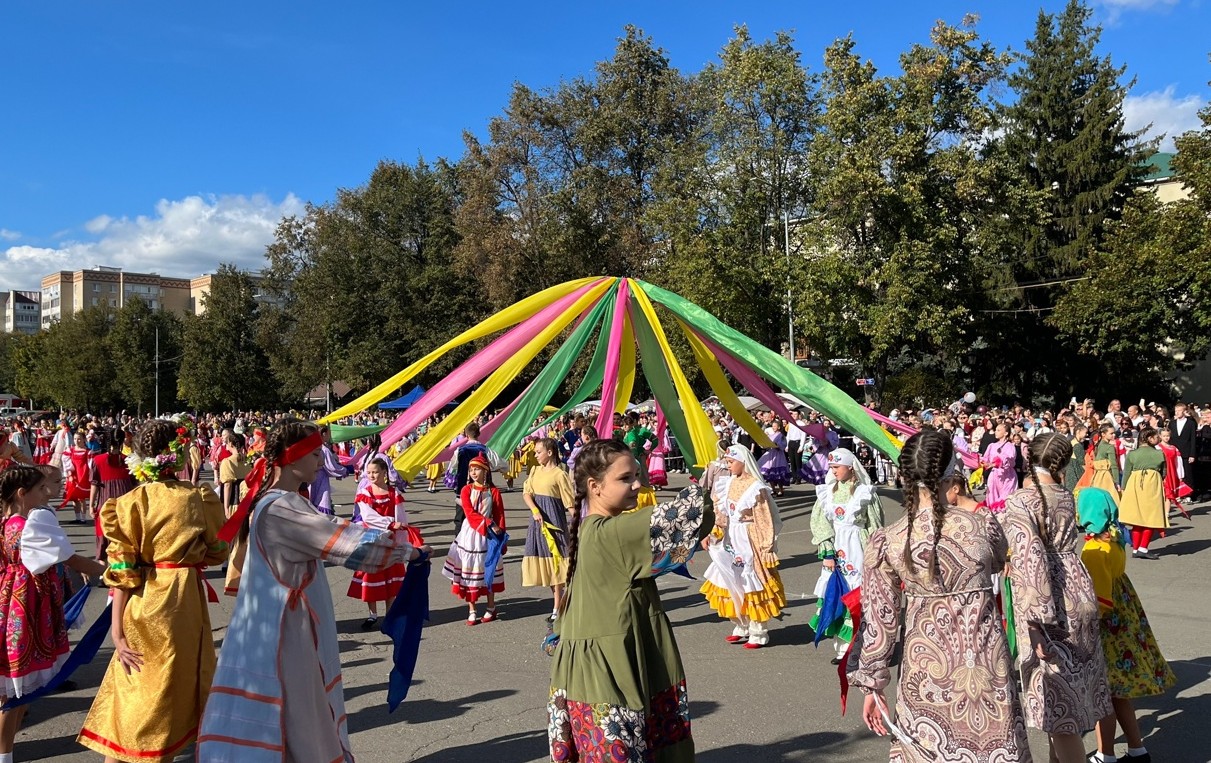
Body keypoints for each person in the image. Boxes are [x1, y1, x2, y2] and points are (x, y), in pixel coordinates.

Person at [197, 420, 428, 761]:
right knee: (299, 714)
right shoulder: (282, 509)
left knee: (294, 714)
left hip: (277, 626)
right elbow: (345, 543)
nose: (322, 460)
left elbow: (335, 532)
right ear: (292, 460)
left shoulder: (282, 502)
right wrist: (409, 550)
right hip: (284, 634)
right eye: (316, 454)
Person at [851, 430, 1031, 762]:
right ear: (952, 473)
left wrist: (873, 685)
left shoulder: (888, 539)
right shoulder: (981, 524)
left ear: (904, 475)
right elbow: (1003, 556)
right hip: (986, 663)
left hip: (925, 667)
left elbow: (880, 621)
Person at [548, 439, 713, 762]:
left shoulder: (588, 529)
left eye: (637, 475)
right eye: (626, 478)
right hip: (609, 671)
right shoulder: (615, 533)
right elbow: (694, 513)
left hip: (588, 670)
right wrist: (711, 475)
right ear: (595, 486)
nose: (638, 485)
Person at [78, 419, 230, 762]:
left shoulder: (125, 504)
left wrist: (116, 632)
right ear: (177, 455)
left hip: (140, 603)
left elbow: (121, 573)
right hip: (181, 602)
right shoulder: (197, 497)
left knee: (134, 688)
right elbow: (219, 550)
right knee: (173, 690)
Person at [1004, 433, 1112, 763]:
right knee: (1072, 696)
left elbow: (1029, 560)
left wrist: (1036, 622)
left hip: (1049, 597)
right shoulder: (1064, 494)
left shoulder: (1022, 500)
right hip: (1077, 588)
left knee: (1057, 709)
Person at [0, 465, 105, 763]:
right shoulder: (28, 525)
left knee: (18, 690)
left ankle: (6, 753)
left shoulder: (7, 521)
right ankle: (4, 755)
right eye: (40, 489)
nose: (47, 493)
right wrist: (109, 570)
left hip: (14, 599)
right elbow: (69, 557)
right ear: (23, 494)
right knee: (15, 691)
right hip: (26, 603)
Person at [1079, 488, 1175, 763]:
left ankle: (1105, 754)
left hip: (1108, 628)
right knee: (1119, 693)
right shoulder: (1117, 538)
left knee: (1104, 694)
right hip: (1126, 618)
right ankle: (1137, 749)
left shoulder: (1094, 549)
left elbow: (1099, 600)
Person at [700, 444, 785, 649]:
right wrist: (712, 533)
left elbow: (764, 519)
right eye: (727, 462)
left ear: (743, 462)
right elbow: (721, 515)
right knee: (730, 579)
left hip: (749, 538)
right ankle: (741, 624)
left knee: (752, 582)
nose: (728, 466)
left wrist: (766, 547)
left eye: (731, 462)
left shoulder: (755, 487)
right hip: (731, 538)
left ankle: (758, 631)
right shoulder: (727, 484)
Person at [808, 448, 885, 662]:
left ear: (850, 467)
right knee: (837, 594)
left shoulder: (864, 492)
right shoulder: (828, 492)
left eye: (837, 467)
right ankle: (842, 648)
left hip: (858, 548)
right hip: (837, 549)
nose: (833, 471)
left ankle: (860, 648)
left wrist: (875, 553)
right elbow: (820, 523)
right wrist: (828, 552)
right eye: (831, 467)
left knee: (858, 594)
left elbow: (875, 525)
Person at [348, 458, 418, 629]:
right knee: (371, 575)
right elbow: (367, 516)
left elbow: (401, 517)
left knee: (390, 578)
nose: (371, 475)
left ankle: (390, 613)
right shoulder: (366, 493)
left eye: (375, 472)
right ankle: (372, 614)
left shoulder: (394, 493)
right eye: (369, 472)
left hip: (390, 540)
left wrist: (402, 540)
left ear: (384, 473)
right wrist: (390, 524)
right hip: (372, 539)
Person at [442, 454, 506, 625]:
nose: (472, 472)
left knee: (489, 570)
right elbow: (470, 514)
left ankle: (491, 607)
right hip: (471, 535)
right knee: (469, 572)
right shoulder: (466, 490)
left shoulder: (493, 492)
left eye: (476, 469)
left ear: (485, 471)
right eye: (471, 469)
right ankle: (472, 609)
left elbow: (500, 515)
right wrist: (488, 523)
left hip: (489, 536)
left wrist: (501, 538)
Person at [521, 438, 575, 621]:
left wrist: (580, 521)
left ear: (550, 452)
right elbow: (527, 493)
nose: (535, 455)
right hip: (538, 524)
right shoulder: (535, 471)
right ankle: (561, 603)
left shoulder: (560, 475)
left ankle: (557, 607)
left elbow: (569, 503)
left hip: (555, 523)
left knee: (557, 565)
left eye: (538, 452)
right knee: (547, 565)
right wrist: (535, 511)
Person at [88, 428, 136, 562]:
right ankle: (123, 568)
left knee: (104, 534)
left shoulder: (98, 460)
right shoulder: (128, 461)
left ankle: (103, 571)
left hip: (105, 502)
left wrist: (91, 505)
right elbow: (134, 485)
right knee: (123, 535)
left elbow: (94, 484)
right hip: (125, 503)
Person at [1119, 429, 1167, 560]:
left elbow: (1126, 473)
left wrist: (1123, 489)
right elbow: (1164, 473)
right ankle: (1143, 548)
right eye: (1156, 436)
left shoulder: (1132, 454)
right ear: (1150, 438)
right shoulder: (1159, 454)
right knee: (1150, 517)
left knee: (1137, 519)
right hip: (1152, 485)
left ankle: (1135, 549)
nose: (1158, 439)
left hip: (1134, 486)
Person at [309, 426, 348, 516]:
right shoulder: (323, 449)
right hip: (320, 478)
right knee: (321, 498)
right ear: (324, 434)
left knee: (313, 498)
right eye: (329, 433)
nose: (330, 436)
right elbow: (331, 467)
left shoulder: (317, 447)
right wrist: (344, 470)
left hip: (312, 477)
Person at [979, 423, 1017, 512]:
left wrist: (997, 462)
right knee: (992, 496)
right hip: (995, 475)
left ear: (1006, 433)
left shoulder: (1010, 446)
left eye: (998, 430)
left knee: (1007, 499)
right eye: (996, 430)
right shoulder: (992, 445)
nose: (996, 432)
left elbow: (1010, 460)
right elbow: (985, 459)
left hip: (1007, 476)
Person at [1156, 428, 1191, 515]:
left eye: (1167, 436)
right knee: (1161, 493)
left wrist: (1180, 475)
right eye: (1164, 436)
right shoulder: (1157, 448)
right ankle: (1159, 512)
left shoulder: (1174, 448)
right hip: (1161, 472)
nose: (1166, 438)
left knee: (1169, 494)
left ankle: (1166, 513)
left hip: (1171, 472)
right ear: (1160, 436)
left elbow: (1178, 462)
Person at [60, 431, 91, 524]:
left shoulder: (87, 451)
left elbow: (90, 465)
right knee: (74, 497)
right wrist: (69, 473)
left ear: (84, 440)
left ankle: (83, 518)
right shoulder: (71, 450)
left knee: (81, 498)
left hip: (82, 475)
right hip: (73, 475)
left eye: (79, 439)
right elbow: (66, 462)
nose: (76, 441)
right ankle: (77, 518)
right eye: (75, 439)